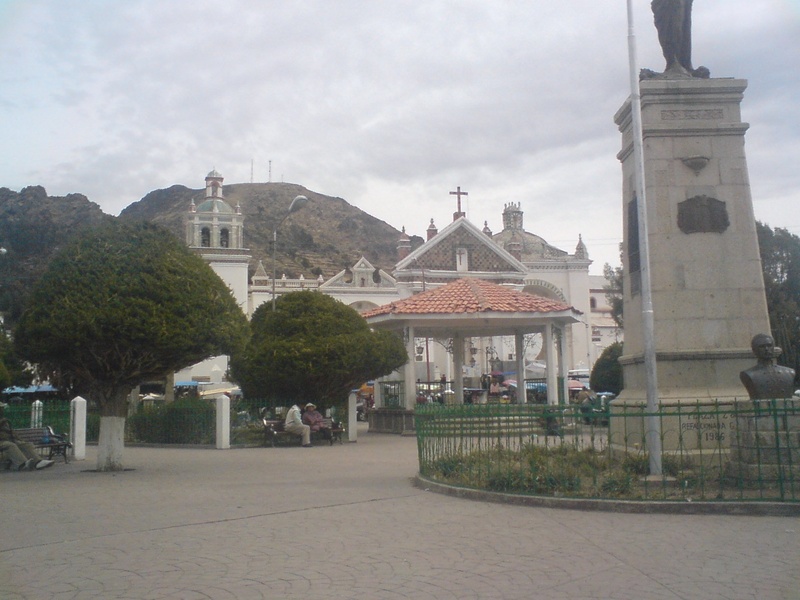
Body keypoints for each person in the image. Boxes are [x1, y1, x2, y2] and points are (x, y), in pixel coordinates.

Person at [739, 333, 796, 400]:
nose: (766, 349)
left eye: (769, 346)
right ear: (754, 350)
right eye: (762, 347)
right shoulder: (748, 374)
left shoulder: (789, 372)